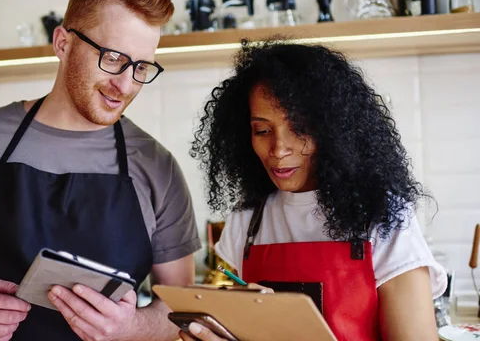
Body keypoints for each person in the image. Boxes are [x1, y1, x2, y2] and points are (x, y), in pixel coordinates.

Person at [0, 0, 201, 341]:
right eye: (112, 58)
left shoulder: (158, 168)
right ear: (63, 42)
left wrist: (134, 328)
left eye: (141, 67)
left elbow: (182, 304)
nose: (125, 85)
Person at [184, 39, 447, 341]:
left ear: (333, 130)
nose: (279, 149)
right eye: (262, 130)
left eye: (299, 128)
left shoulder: (383, 217)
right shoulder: (247, 220)